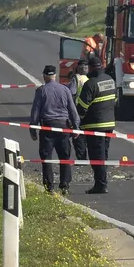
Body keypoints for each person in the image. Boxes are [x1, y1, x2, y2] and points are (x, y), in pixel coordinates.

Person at [28, 64, 80, 194]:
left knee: (46, 158)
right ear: (55, 76)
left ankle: (49, 186)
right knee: (65, 157)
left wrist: (33, 129)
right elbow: (72, 110)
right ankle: (65, 185)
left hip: (47, 127)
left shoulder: (41, 91)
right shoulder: (65, 90)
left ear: (44, 76)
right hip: (63, 126)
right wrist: (76, 127)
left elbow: (35, 112)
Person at [76, 56, 117, 194]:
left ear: (92, 68)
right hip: (109, 124)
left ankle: (101, 185)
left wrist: (77, 122)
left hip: (95, 126)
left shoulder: (91, 83)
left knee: (96, 157)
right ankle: (101, 182)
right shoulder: (110, 80)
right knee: (103, 155)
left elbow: (82, 108)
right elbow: (114, 99)